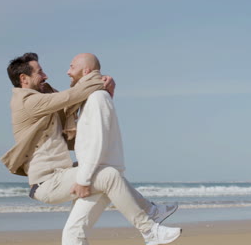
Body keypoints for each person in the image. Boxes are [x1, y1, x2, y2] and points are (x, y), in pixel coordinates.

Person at [0, 53, 181, 245]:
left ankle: (151, 211)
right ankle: (149, 229)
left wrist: (106, 82)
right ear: (23, 79)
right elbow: (71, 96)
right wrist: (97, 78)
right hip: (47, 182)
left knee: (77, 225)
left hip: (62, 173)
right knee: (109, 176)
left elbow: (73, 103)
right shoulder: (27, 102)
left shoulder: (42, 96)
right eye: (40, 72)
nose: (45, 75)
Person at [62, 53, 179, 245]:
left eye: (71, 67)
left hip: (97, 176)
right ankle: (152, 213)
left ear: (86, 71)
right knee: (74, 232)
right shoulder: (94, 97)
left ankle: (151, 227)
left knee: (73, 232)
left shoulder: (97, 98)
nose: (67, 71)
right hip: (98, 173)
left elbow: (97, 141)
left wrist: (83, 179)